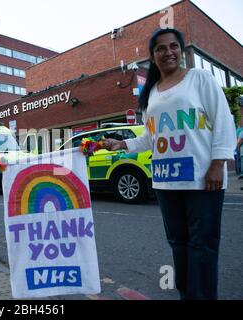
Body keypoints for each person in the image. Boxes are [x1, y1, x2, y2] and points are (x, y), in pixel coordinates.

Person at [103, 28, 236, 300]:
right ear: (153, 56)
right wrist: (122, 144)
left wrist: (217, 164)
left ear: (181, 49)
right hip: (165, 180)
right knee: (178, 244)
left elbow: (223, 121)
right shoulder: (151, 92)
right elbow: (151, 136)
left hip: (202, 178)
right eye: (160, 49)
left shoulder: (200, 78)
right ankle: (188, 294)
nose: (168, 52)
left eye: (174, 46)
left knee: (203, 247)